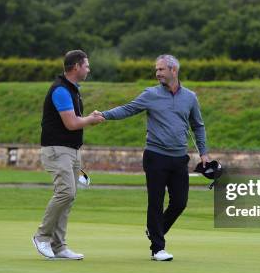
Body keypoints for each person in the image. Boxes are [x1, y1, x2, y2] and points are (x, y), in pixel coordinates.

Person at [95, 54, 210, 261]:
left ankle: (155, 230)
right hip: (155, 156)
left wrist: (204, 153)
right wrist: (104, 115)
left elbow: (198, 126)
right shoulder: (150, 94)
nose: (157, 73)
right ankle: (158, 248)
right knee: (155, 202)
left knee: (180, 202)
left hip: (179, 158)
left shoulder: (190, 97)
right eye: (156, 70)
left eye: (161, 70)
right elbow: (128, 109)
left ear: (173, 70)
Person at [32, 50, 104, 260]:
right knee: (66, 193)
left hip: (71, 151)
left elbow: (74, 122)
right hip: (57, 149)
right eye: (86, 65)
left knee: (69, 197)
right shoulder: (61, 90)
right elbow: (71, 123)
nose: (89, 69)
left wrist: (89, 118)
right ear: (76, 67)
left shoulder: (72, 89)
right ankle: (42, 236)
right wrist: (90, 119)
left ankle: (59, 246)